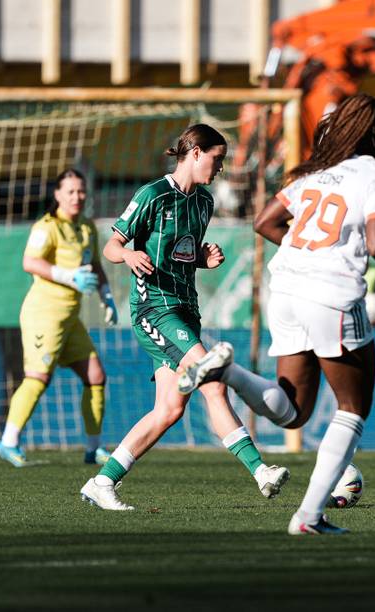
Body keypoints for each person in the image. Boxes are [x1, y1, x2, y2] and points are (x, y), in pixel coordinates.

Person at [180, 94, 375, 534]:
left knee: (293, 412)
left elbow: (266, 223)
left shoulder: (315, 174)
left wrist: (307, 253)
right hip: (331, 294)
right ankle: (309, 517)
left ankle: (230, 372)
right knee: (353, 407)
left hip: (287, 288)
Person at [79, 124, 290, 511]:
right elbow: (111, 245)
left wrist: (202, 259)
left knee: (170, 410)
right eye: (217, 158)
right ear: (195, 153)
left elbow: (180, 253)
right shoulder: (152, 195)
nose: (220, 167)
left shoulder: (204, 202)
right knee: (212, 383)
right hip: (154, 310)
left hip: (185, 310)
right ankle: (260, 471)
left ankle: (101, 481)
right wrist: (126, 256)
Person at [0, 168, 118, 467]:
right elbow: (30, 261)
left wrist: (107, 296)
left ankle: (93, 449)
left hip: (70, 318)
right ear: (58, 194)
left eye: (81, 191)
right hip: (44, 314)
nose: (77, 197)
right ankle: (7, 443)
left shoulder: (87, 227)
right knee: (38, 377)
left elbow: (96, 265)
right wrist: (68, 276)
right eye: (71, 191)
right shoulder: (46, 227)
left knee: (95, 376)